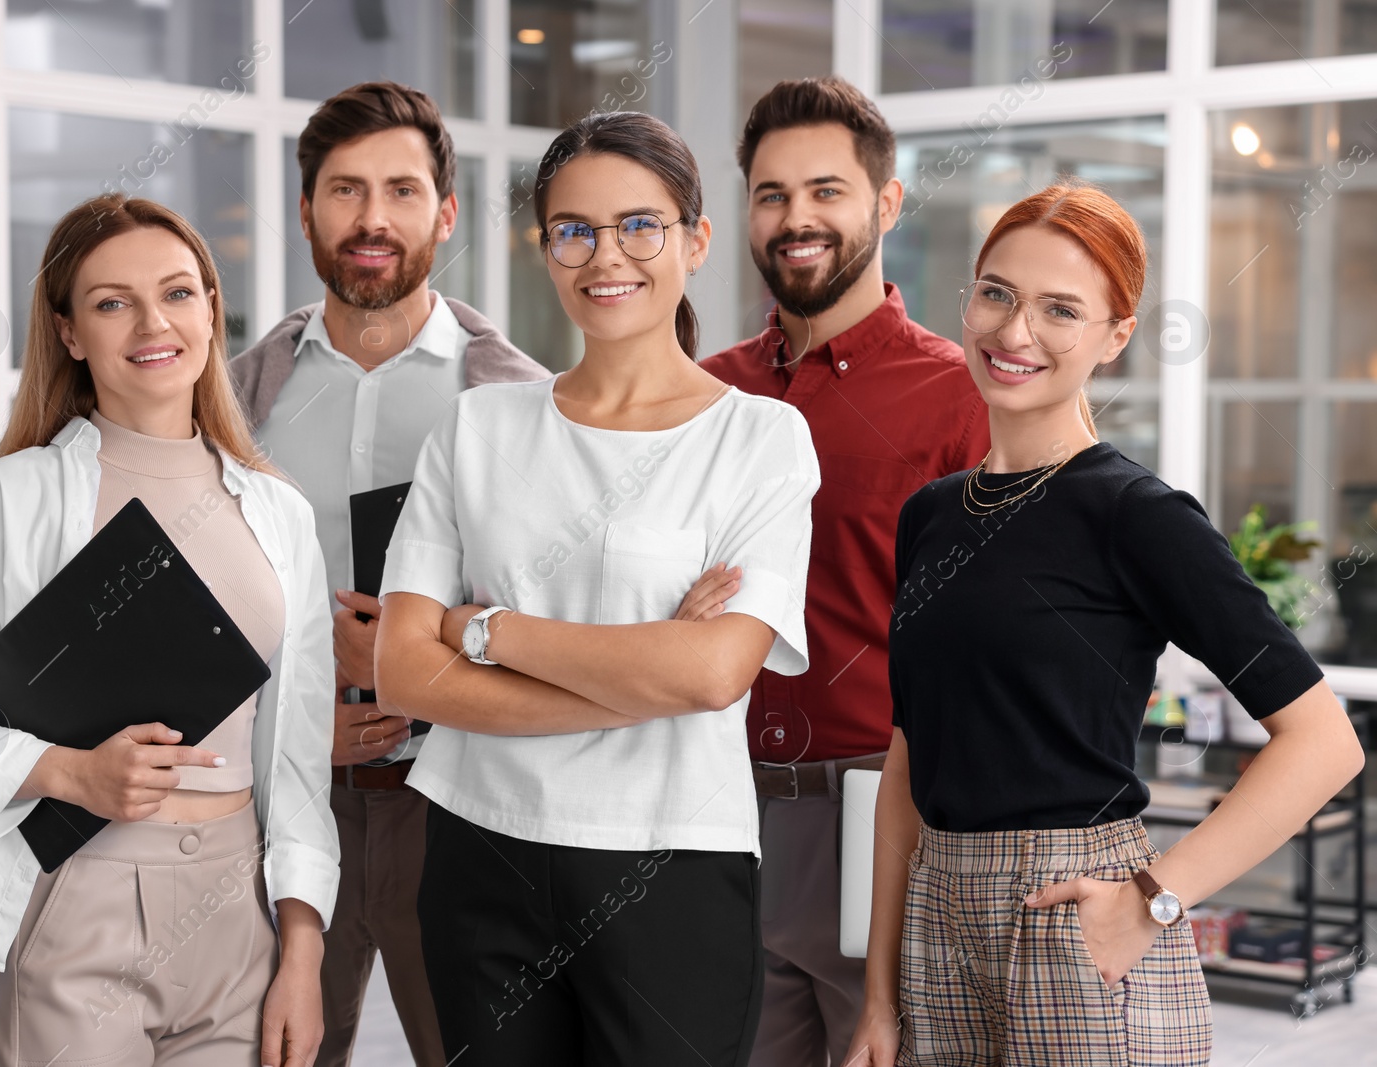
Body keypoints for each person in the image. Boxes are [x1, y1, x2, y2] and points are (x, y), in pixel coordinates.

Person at [845, 180, 1366, 1066]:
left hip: (1074, 915)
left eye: (1061, 309)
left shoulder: (1136, 513)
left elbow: (1324, 743)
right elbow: (907, 757)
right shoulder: (931, 514)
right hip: (937, 918)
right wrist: (880, 1000)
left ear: (1115, 337)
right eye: (997, 293)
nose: (1015, 333)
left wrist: (1153, 898)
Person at [372, 110, 820, 1067]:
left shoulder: (761, 440)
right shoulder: (476, 429)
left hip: (671, 861)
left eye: (640, 225)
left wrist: (484, 630)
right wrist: (637, 680)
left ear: (696, 241)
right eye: (573, 229)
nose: (605, 254)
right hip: (477, 848)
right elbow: (405, 672)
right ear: (546, 249)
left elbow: (710, 675)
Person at [0, 194, 341, 1067]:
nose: (154, 322)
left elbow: (301, 754)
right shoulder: (10, 498)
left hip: (240, 911)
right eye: (112, 301)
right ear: (70, 333)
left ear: (210, 311)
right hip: (79, 898)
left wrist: (302, 949)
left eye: (179, 293)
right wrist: (65, 769)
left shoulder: (279, 513)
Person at [230, 80, 548, 1067]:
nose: (373, 219)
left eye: (402, 191)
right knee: (270, 1052)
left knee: (473, 1050)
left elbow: (558, 611)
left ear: (444, 212)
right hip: (283, 796)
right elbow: (197, 601)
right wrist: (284, 726)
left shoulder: (521, 401)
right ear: (306, 210)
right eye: (345, 191)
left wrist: (425, 647)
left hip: (452, 796)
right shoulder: (237, 397)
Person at [697, 76, 989, 1064]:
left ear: (886, 202)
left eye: (826, 190)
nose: (796, 218)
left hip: (876, 809)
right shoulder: (707, 393)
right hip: (715, 804)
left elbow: (991, 644)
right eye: (771, 194)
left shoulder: (959, 396)